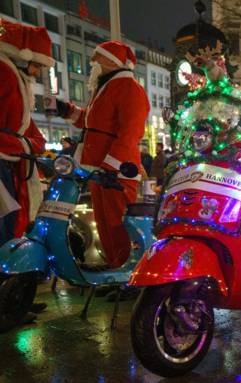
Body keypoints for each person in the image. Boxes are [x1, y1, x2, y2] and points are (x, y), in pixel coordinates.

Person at [56, 40, 149, 269]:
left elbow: (130, 131)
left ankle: (128, 270)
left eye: (98, 57)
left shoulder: (128, 88)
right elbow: (94, 122)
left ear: (111, 61)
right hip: (99, 169)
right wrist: (69, 112)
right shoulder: (107, 86)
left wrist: (111, 165)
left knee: (117, 222)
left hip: (116, 170)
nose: (92, 61)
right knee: (105, 222)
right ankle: (116, 266)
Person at [0, 20, 50, 243]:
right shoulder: (6, 74)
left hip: (8, 162)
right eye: (37, 65)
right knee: (7, 225)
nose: (38, 72)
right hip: (4, 164)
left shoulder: (14, 77)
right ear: (24, 55)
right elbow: (30, 134)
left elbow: (31, 132)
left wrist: (29, 143)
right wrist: (25, 145)